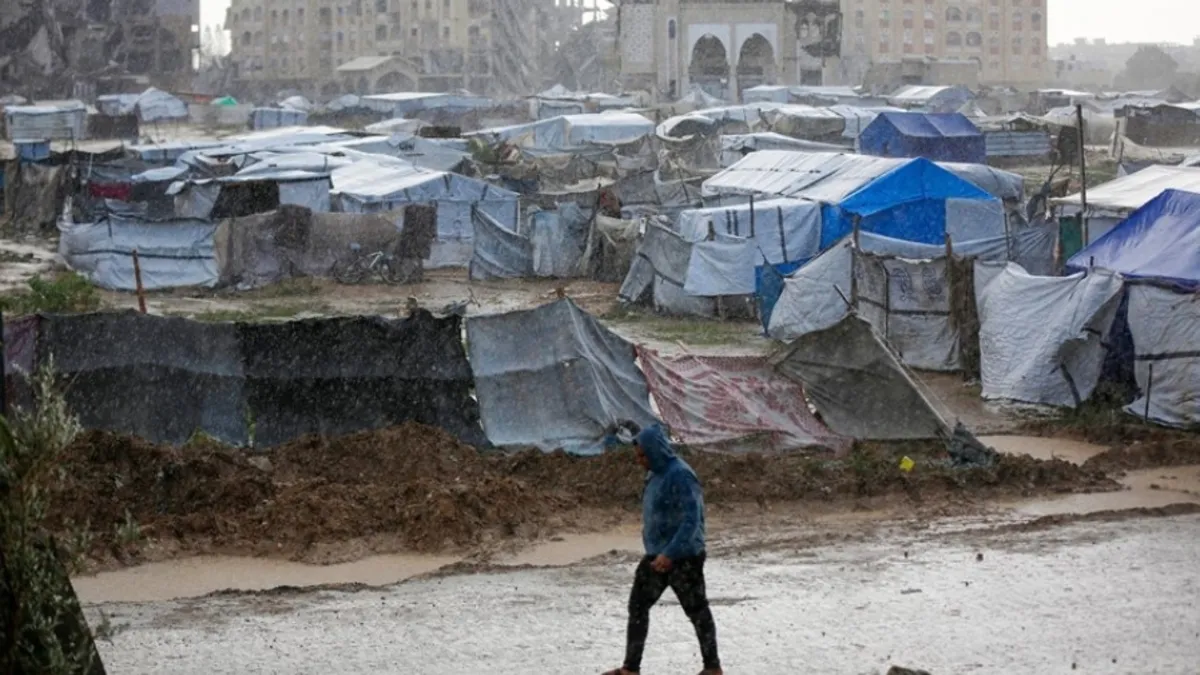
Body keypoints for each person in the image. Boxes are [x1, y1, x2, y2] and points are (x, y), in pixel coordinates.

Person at [602, 422, 722, 675]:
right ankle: (630, 668)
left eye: (644, 455)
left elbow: (692, 520)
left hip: (684, 557)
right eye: (638, 456)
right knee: (637, 606)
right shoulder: (654, 473)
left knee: (697, 611)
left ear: (657, 450)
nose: (640, 461)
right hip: (656, 555)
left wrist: (671, 553)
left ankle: (712, 668)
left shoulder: (681, 475)